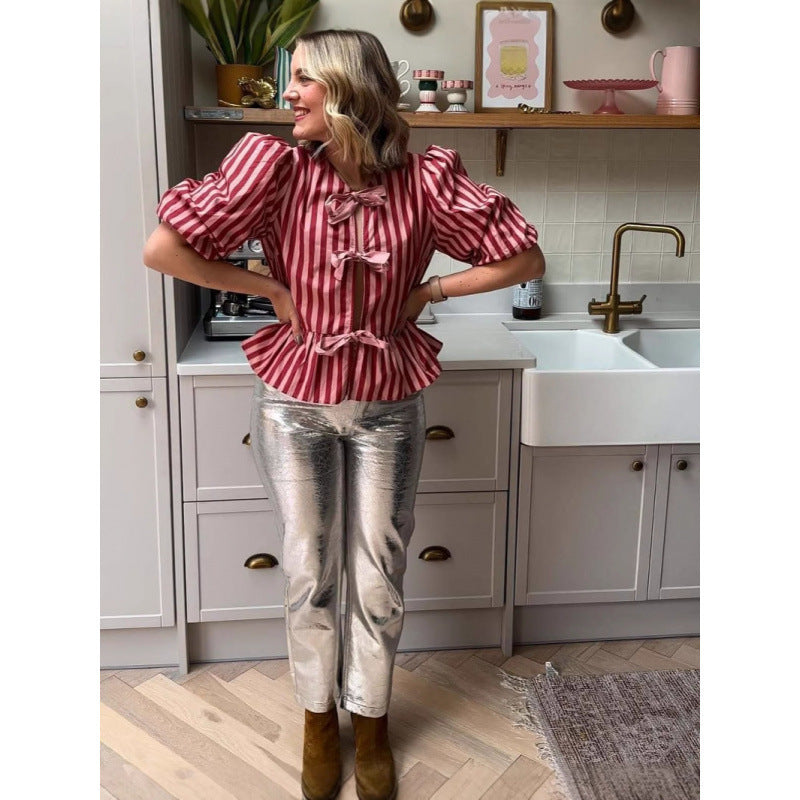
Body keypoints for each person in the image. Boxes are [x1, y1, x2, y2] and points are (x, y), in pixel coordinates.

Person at [143, 28, 544, 800]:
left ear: (349, 88)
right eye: (290, 79)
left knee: (380, 573)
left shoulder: (426, 181)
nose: (288, 93)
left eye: (304, 79)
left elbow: (523, 259)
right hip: (294, 404)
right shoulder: (275, 170)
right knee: (309, 570)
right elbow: (164, 249)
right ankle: (317, 719)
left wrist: (431, 291)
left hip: (389, 402)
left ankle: (373, 718)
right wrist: (271, 289)